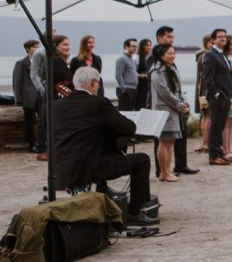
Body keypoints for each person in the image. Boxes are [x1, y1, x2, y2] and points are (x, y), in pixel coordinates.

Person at [52, 67, 157, 225]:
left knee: (98, 147)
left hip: (61, 168)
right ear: (94, 83)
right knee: (142, 160)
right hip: (90, 168)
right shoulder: (98, 103)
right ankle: (135, 213)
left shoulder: (55, 106)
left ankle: (103, 189)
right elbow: (129, 128)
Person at [150, 44, 190, 182]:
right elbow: (164, 93)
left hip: (174, 109)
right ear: (161, 56)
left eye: (173, 53)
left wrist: (183, 102)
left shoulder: (172, 68)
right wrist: (179, 105)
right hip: (164, 110)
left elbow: (177, 89)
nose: (173, 56)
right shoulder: (157, 71)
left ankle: (168, 170)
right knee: (164, 141)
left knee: (170, 141)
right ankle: (163, 172)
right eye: (169, 54)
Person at [203, 28, 232, 165]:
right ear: (213, 40)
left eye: (224, 36)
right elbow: (208, 78)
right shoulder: (211, 55)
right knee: (215, 126)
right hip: (218, 97)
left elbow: (227, 74)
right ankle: (213, 156)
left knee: (220, 126)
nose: (223, 38)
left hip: (226, 95)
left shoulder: (222, 54)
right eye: (220, 36)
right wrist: (216, 94)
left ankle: (219, 152)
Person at [30, 27, 60, 161]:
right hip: (43, 92)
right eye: (53, 36)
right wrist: (43, 90)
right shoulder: (39, 53)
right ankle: (41, 150)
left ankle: (51, 149)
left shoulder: (54, 52)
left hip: (54, 91)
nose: (55, 38)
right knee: (43, 121)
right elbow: (34, 74)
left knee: (52, 120)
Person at [13, 39, 40, 152]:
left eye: (38, 46)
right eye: (35, 47)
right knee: (30, 122)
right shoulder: (21, 63)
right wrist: (18, 99)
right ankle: (31, 144)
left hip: (41, 95)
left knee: (43, 120)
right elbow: (17, 82)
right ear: (28, 49)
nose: (38, 49)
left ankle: (42, 143)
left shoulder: (42, 62)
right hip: (28, 97)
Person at [194, 34, 213, 153]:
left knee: (205, 116)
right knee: (207, 116)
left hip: (202, 89)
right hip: (205, 90)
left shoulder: (201, 55)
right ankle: (206, 142)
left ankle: (206, 142)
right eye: (211, 43)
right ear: (206, 43)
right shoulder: (205, 56)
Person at [114, 38, 139, 113]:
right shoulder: (122, 59)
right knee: (125, 114)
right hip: (126, 90)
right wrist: (124, 89)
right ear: (126, 46)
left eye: (136, 46)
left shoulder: (131, 59)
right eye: (133, 46)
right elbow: (118, 75)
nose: (135, 48)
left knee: (131, 113)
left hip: (133, 90)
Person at [135, 38, 153, 109]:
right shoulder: (137, 58)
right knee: (141, 102)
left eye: (150, 45)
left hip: (150, 82)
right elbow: (132, 72)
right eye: (147, 45)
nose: (149, 47)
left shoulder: (152, 58)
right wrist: (140, 75)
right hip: (140, 84)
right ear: (142, 46)